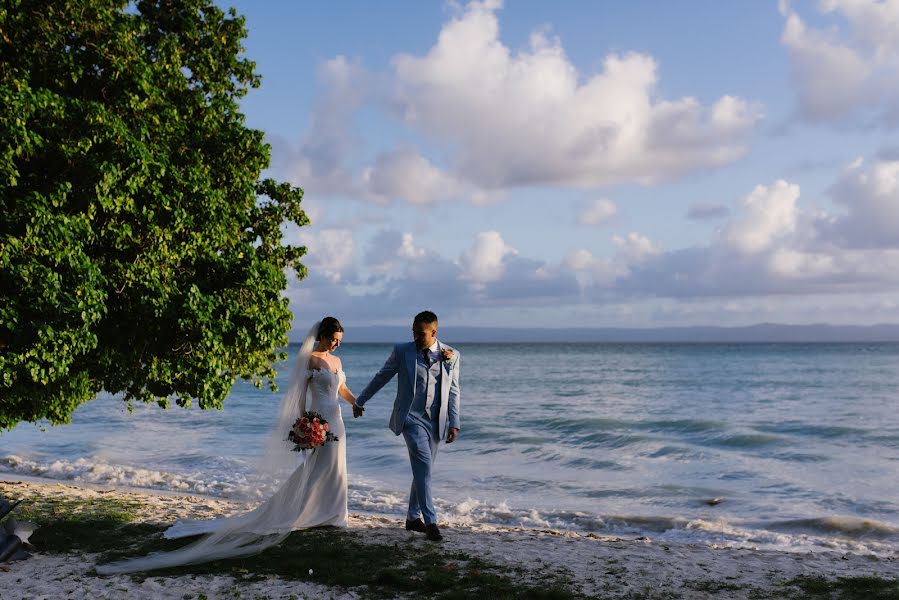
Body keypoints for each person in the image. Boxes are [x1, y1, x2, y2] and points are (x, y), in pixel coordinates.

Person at [97, 317, 357, 574]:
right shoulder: (310, 360)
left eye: (339, 341)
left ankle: (333, 513)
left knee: (335, 467)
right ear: (322, 336)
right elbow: (299, 395)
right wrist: (303, 424)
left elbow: (341, 388)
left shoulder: (337, 361)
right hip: (318, 420)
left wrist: (355, 402)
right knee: (317, 467)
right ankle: (310, 512)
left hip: (337, 420)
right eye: (333, 340)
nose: (336, 345)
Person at [353, 311, 461, 542]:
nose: (415, 337)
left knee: (424, 471)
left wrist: (455, 421)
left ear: (434, 332)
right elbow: (382, 376)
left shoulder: (451, 355)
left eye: (420, 333)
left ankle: (412, 518)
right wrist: (360, 400)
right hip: (410, 419)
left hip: (436, 420)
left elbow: (453, 390)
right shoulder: (402, 351)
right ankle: (431, 522)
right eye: (413, 332)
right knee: (423, 465)